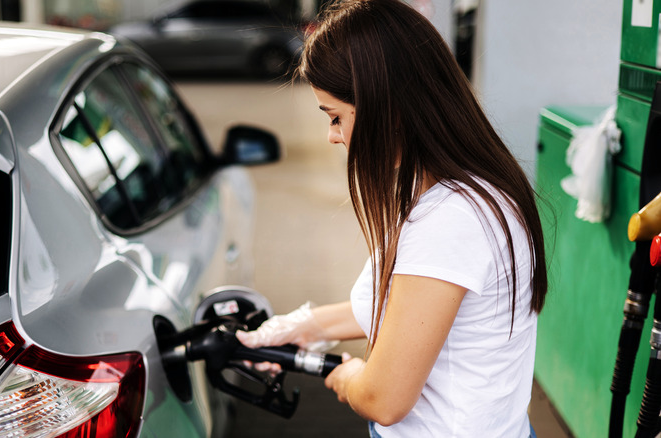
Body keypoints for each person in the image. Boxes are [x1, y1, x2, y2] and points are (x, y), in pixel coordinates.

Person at [235, 0, 548, 436]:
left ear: (390, 107)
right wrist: (305, 327)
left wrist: (347, 377)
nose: (332, 136)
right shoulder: (466, 187)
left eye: (336, 117)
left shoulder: (450, 220)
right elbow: (412, 308)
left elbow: (384, 399)